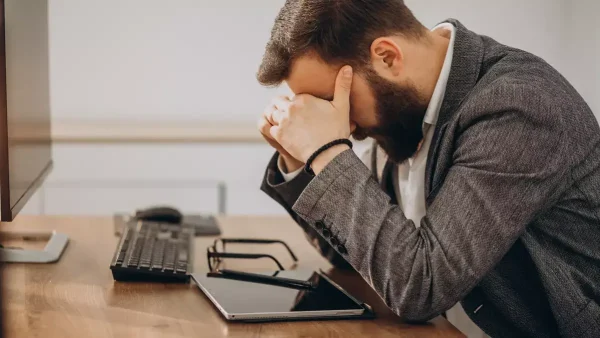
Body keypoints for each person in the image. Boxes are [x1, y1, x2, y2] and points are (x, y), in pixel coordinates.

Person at [255, 1, 600, 337]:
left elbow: (420, 287)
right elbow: (358, 256)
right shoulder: (401, 111)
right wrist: (299, 159)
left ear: (387, 57)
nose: (340, 121)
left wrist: (326, 152)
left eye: (333, 99)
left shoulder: (517, 106)